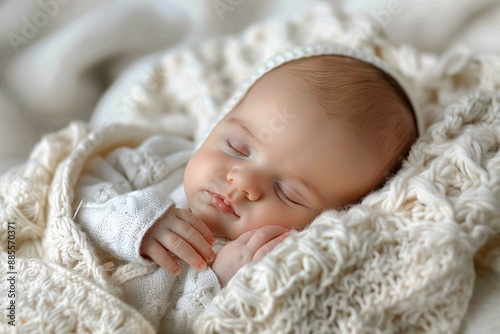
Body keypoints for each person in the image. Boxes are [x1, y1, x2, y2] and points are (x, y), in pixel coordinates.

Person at [73, 44, 421, 333]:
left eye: (288, 193)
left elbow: (174, 326)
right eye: (237, 147)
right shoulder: (162, 163)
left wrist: (219, 283)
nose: (243, 182)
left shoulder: (260, 266)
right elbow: (74, 193)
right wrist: (135, 221)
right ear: (218, 122)